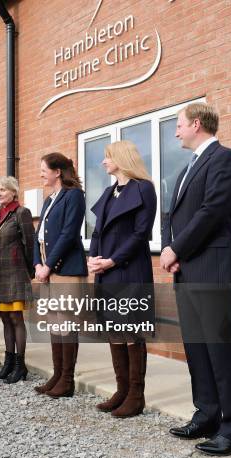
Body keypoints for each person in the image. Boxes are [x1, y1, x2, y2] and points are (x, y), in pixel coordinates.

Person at [161, 103, 231, 456]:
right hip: (187, 271)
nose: (176, 132)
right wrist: (169, 248)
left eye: (179, 125)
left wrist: (175, 249)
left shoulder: (225, 160)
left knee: (222, 350)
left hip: (212, 270)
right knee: (197, 349)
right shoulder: (185, 169)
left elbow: (212, 211)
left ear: (197, 124)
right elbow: (173, 214)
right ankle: (207, 415)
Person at [88, 140, 156, 418]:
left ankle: (136, 396)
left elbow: (141, 235)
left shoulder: (144, 189)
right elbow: (96, 233)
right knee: (113, 330)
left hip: (129, 270)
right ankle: (122, 390)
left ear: (121, 158)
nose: (103, 162)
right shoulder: (108, 192)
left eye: (107, 157)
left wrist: (113, 260)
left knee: (131, 332)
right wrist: (92, 259)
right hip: (106, 271)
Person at [33, 153, 88, 398]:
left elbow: (68, 234)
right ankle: (57, 374)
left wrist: (49, 265)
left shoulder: (74, 195)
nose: (41, 173)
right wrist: (37, 263)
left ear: (57, 172)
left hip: (65, 269)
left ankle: (67, 380)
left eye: (44, 169)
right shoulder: (49, 199)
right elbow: (38, 235)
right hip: (47, 268)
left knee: (66, 323)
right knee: (55, 323)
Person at [0, 176, 35, 384]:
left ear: (13, 192)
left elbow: (29, 244)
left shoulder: (21, 213)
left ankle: (20, 365)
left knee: (16, 319)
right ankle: (8, 363)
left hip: (15, 273)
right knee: (5, 319)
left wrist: (28, 272)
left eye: (2, 190)